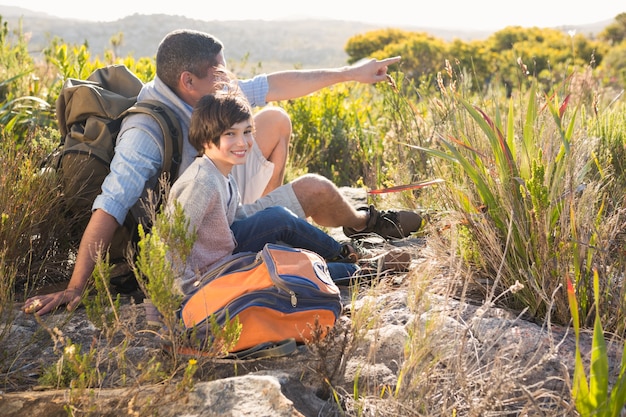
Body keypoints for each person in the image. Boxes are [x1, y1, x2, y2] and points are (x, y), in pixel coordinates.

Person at [23, 28, 421, 316]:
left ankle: (359, 234)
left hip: (218, 217)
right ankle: (362, 270)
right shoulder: (144, 133)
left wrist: (351, 73)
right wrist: (76, 288)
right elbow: (109, 207)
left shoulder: (208, 101)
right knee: (287, 266)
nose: (230, 81)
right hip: (192, 256)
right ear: (188, 81)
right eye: (221, 74)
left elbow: (275, 85)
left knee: (280, 147)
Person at [170, 91, 366, 295]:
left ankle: (341, 253)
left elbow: (237, 219)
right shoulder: (201, 183)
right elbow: (173, 239)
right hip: (211, 274)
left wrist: (276, 238)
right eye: (230, 134)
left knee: (278, 217)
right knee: (293, 270)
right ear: (206, 140)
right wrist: (190, 291)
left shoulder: (222, 171)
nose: (242, 142)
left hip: (227, 248)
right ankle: (356, 270)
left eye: (247, 132)